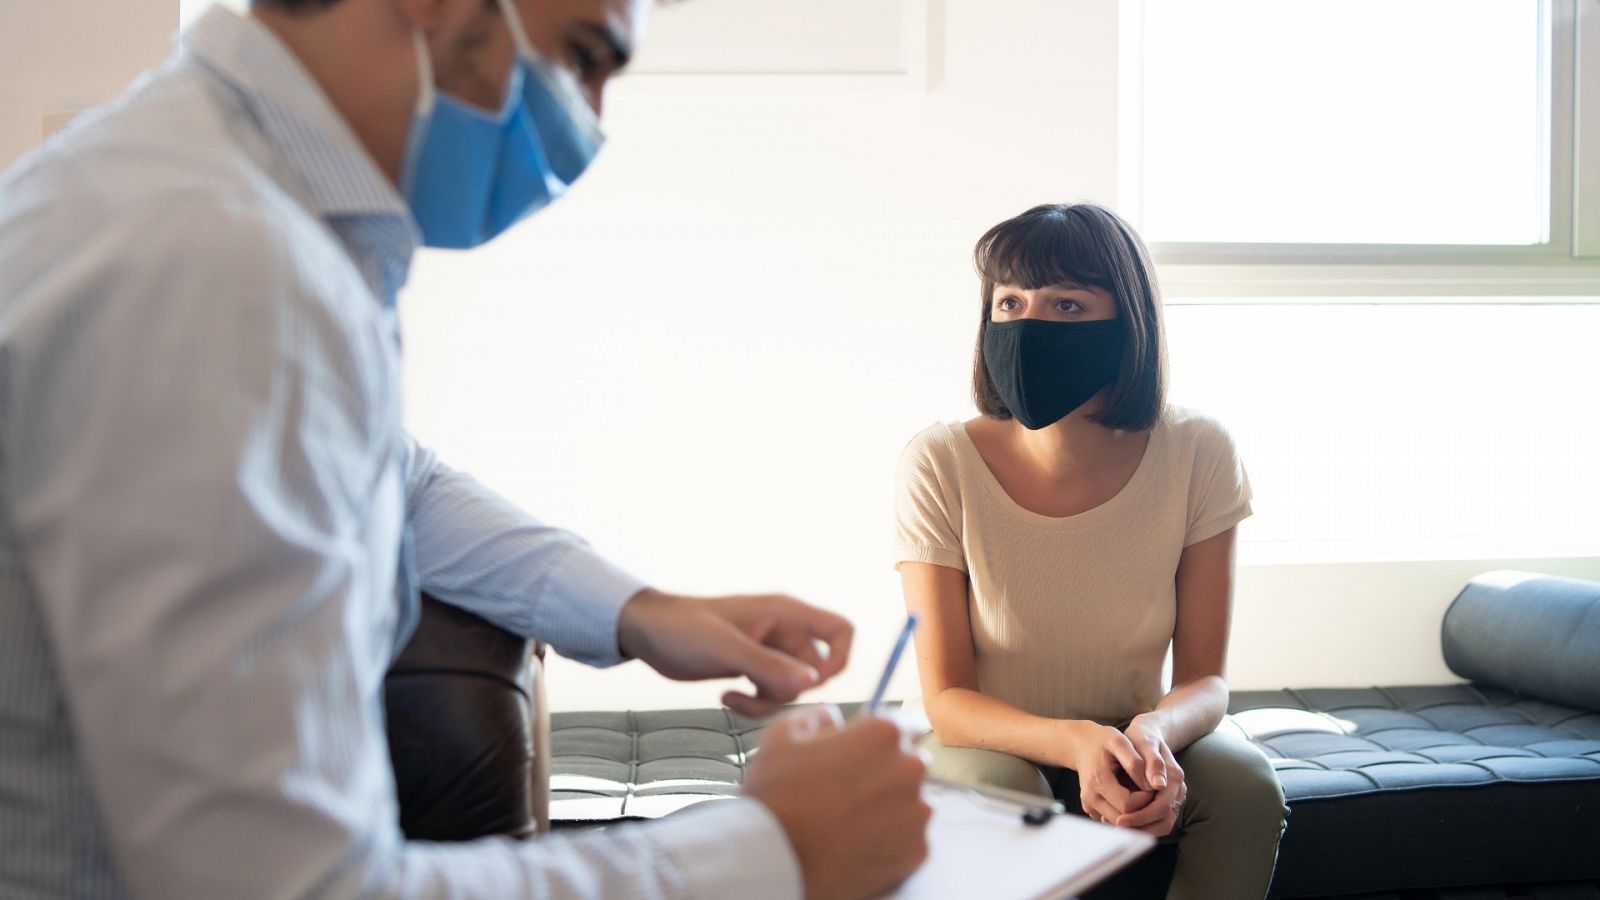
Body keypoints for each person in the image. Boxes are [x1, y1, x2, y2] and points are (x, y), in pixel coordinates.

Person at [0, 0, 930, 897]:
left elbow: (396, 480)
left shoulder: (180, 185)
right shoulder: (224, 265)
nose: (592, 123)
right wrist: (770, 857)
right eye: (581, 58)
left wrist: (641, 613)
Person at [893, 203, 1288, 899]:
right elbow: (947, 699)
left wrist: (1152, 739)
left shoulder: (1198, 451)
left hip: (1133, 729)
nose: (1028, 324)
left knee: (1246, 785)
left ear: (1126, 323)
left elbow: (1206, 680)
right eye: (1009, 302)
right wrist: (1076, 743)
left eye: (1067, 304)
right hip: (982, 742)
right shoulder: (940, 461)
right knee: (1007, 798)